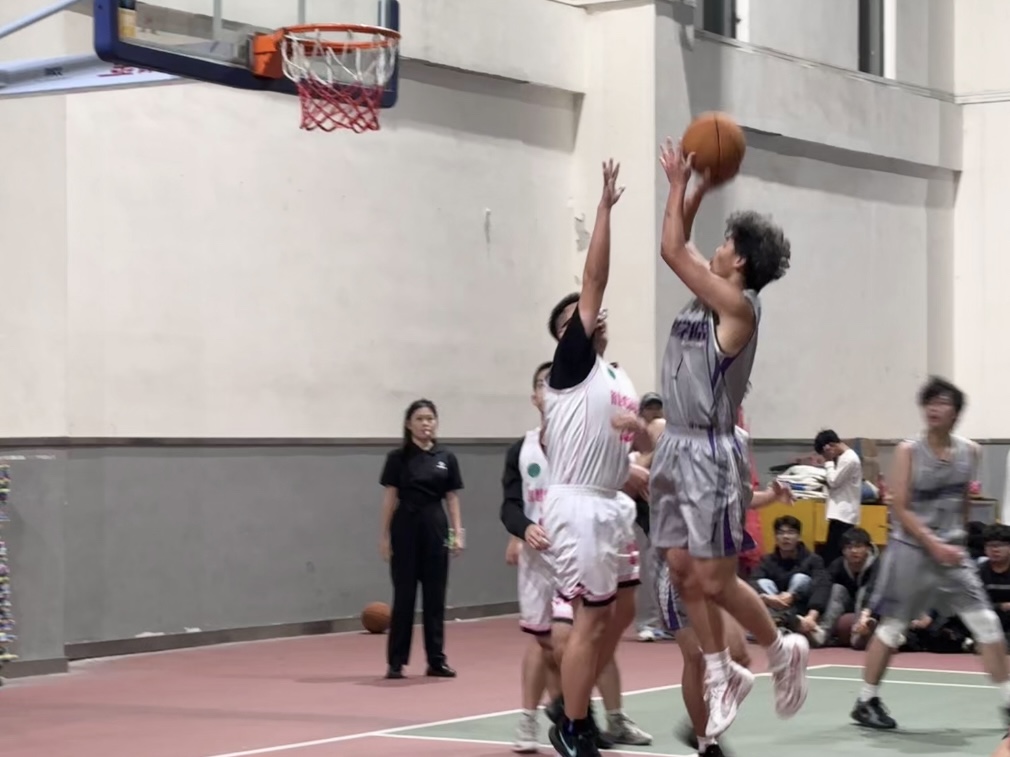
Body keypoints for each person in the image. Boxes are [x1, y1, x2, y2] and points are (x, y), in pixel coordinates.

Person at [649, 136, 805, 740]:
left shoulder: (738, 308)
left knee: (714, 579)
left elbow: (671, 248)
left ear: (738, 262)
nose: (712, 250)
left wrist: (676, 186)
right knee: (681, 569)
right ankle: (722, 673)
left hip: (709, 451)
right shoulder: (708, 293)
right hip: (675, 445)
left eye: (724, 244)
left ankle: (781, 648)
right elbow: (682, 241)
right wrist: (698, 188)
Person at [541, 158, 654, 757]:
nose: (589, 315)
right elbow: (595, 280)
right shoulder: (573, 361)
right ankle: (574, 724)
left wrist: (631, 463)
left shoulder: (617, 375)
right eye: (575, 317)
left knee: (618, 612)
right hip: (580, 506)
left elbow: (613, 441)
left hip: (611, 502)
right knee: (590, 618)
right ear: (566, 334)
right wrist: (605, 208)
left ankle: (572, 698)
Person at [501, 362, 651, 751]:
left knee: (592, 629)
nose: (549, 389)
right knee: (550, 643)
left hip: (581, 539)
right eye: (542, 384)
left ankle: (591, 716)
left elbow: (621, 468)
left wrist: (632, 463)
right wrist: (521, 530)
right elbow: (510, 504)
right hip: (541, 555)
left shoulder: (589, 433)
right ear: (536, 397)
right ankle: (542, 716)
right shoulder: (522, 448)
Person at [852, 376, 1010, 730]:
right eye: (930, 402)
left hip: (952, 553)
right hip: (911, 551)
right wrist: (932, 543)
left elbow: (964, 500)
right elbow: (899, 507)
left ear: (956, 412)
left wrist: (958, 541)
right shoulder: (908, 451)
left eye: (943, 402)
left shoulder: (971, 451)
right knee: (893, 628)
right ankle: (865, 700)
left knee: (986, 623)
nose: (934, 408)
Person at [668, 438, 795, 757]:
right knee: (696, 657)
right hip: (679, 566)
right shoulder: (675, 439)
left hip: (714, 566)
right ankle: (705, 742)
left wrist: (772, 496)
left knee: (738, 655)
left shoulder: (728, 440)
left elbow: (740, 494)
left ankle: (700, 725)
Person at [378, 399, 464, 680]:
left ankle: (436, 660)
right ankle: (396, 662)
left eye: (430, 418)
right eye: (420, 419)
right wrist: (384, 535)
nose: (426, 423)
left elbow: (452, 498)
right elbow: (390, 498)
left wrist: (457, 533)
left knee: (435, 597)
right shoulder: (397, 458)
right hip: (405, 527)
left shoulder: (446, 457)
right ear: (409, 424)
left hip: (435, 527)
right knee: (404, 596)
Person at [751, 515, 831, 646]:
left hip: (800, 607)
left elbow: (822, 585)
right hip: (774, 604)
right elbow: (752, 581)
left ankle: (779, 624)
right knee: (763, 583)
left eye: (791, 532)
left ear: (799, 537)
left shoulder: (813, 559)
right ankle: (783, 623)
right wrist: (767, 598)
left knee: (800, 578)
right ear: (775, 537)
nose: (785, 537)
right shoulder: (767, 560)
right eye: (781, 533)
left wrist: (795, 597)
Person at [812, 430, 863, 567]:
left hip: (844, 514)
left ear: (830, 446)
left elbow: (833, 481)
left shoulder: (849, 459)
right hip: (841, 513)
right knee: (832, 553)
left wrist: (828, 461)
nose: (825, 457)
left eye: (824, 453)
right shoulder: (845, 458)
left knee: (834, 556)